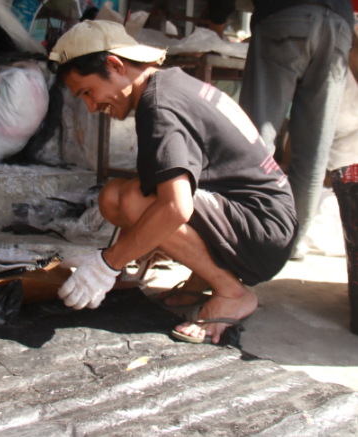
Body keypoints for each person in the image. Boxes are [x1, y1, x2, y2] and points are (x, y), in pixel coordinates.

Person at [48, 20, 298, 344]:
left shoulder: (158, 104)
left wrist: (107, 265)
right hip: (262, 220)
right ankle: (201, 278)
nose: (92, 107)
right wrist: (130, 247)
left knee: (135, 201)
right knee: (115, 195)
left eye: (88, 92)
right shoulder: (168, 85)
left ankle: (231, 292)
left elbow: (176, 207)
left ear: (115, 65)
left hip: (265, 230)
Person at [237, 1, 354, 259]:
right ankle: (292, 244)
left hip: (285, 13)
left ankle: (249, 238)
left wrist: (219, 17)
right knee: (314, 151)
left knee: (255, 141)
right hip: (339, 23)